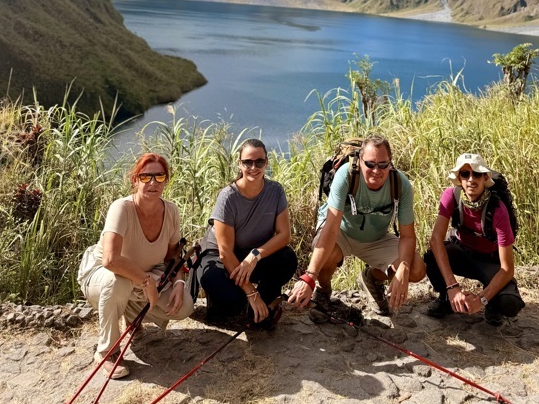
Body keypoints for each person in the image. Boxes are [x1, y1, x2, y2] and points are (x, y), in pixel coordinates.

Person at [78, 153, 193, 378]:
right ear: (135, 180)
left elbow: (173, 256)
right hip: (102, 274)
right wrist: (147, 282)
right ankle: (106, 352)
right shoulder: (121, 208)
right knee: (117, 282)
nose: (153, 183)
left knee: (185, 305)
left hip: (145, 276)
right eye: (146, 176)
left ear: (166, 180)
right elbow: (110, 260)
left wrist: (179, 281)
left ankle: (131, 318)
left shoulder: (171, 210)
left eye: (159, 177)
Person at [289, 134, 425, 315]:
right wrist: (310, 277)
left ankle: (372, 279)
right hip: (341, 232)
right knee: (327, 252)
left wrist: (404, 269)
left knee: (416, 269)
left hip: (376, 238)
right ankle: (323, 291)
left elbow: (407, 235)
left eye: (383, 164)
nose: (376, 170)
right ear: (360, 161)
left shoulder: (401, 184)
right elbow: (330, 228)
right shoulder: (346, 175)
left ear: (390, 162)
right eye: (370, 164)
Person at [197, 138, 297, 328]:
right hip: (220, 258)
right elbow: (225, 252)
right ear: (239, 164)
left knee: (287, 258)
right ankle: (243, 302)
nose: (253, 167)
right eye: (247, 162)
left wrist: (255, 255)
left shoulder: (275, 191)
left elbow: (284, 236)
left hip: (250, 253)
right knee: (230, 300)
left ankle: (261, 307)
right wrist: (251, 292)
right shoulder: (228, 197)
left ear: (266, 163)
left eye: (259, 162)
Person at [423, 153, 525, 326]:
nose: (471, 179)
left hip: (489, 262)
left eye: (477, 174)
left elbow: (507, 269)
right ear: (459, 179)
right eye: (465, 174)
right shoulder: (451, 196)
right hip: (462, 252)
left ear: (485, 177)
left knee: (509, 304)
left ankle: (492, 304)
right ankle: (447, 298)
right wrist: (452, 287)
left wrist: (482, 299)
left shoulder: (497, 209)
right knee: (431, 256)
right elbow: (435, 240)